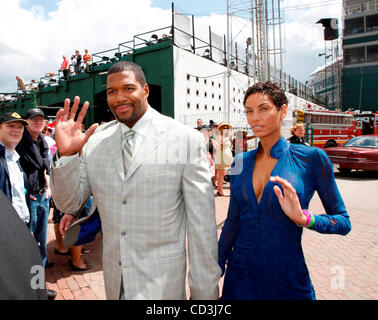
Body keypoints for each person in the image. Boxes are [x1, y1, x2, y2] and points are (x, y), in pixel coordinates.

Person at [50, 60, 221, 300]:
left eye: (128, 88)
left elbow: (202, 227)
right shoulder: (96, 141)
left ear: (146, 90)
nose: (119, 97)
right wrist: (67, 155)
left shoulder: (186, 140)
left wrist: (205, 295)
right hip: (113, 281)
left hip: (163, 288)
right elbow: (69, 203)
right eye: (112, 91)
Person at [218, 81, 351, 300]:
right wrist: (213, 272)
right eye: (249, 111)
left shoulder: (311, 159)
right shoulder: (240, 161)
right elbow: (233, 223)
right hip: (239, 279)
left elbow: (343, 222)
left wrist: (304, 218)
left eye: (263, 108)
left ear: (282, 111)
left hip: (287, 279)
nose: (254, 118)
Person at [16, 108, 53, 269]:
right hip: (29, 198)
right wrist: (25, 192)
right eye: (34, 119)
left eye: (41, 119)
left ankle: (39, 278)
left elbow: (45, 168)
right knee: (28, 242)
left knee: (41, 239)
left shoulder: (42, 142)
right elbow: (15, 170)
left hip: (42, 195)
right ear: (26, 122)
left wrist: (48, 188)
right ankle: (31, 282)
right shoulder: (19, 142)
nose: (38, 122)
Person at [0, 112, 30, 224]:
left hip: (20, 225)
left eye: (20, 127)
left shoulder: (15, 159)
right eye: (10, 126)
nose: (16, 130)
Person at [214, 122, 233, 197]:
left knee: (223, 173)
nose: (225, 129)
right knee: (221, 174)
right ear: (221, 128)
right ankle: (220, 191)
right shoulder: (219, 136)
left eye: (227, 128)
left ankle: (220, 190)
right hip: (222, 155)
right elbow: (219, 145)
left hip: (227, 155)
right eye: (224, 127)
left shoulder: (229, 136)